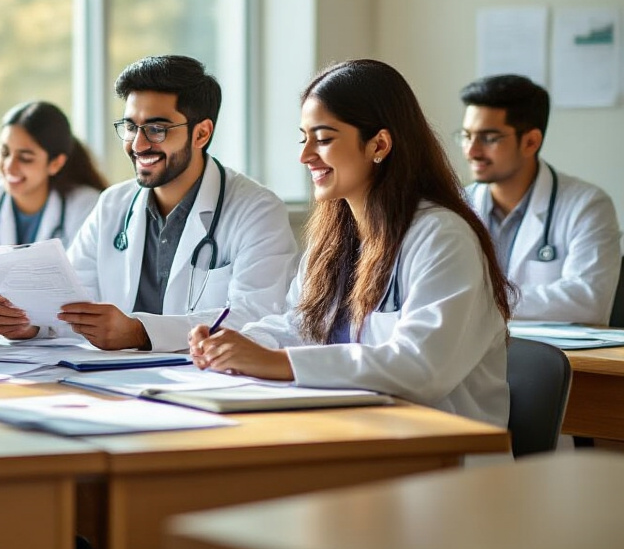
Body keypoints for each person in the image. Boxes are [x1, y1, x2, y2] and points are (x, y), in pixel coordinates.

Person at [189, 59, 511, 428]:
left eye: (323, 139)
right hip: (352, 428)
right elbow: (300, 325)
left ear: (379, 144)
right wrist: (239, 343)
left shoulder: (442, 237)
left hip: (438, 451)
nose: (305, 155)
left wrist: (275, 363)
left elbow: (421, 369)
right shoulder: (336, 236)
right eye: (303, 137)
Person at [0, 55, 298, 351]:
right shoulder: (113, 204)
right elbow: (72, 301)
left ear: (201, 133)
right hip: (114, 381)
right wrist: (31, 324)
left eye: (156, 129)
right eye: (130, 127)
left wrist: (140, 333)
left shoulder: (257, 210)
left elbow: (255, 318)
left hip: (203, 381)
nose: (137, 144)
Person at [459, 74, 621, 324]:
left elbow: (588, 301)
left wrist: (476, 301)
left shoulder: (587, 206)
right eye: (467, 136)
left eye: (489, 138)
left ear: (531, 142)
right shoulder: (457, 206)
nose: (472, 151)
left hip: (554, 359)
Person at [0, 100, 107, 258]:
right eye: (4, 153)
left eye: (25, 158)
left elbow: (85, 279)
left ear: (55, 163)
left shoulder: (85, 207)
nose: (9, 166)